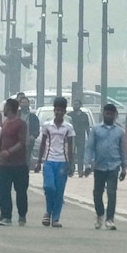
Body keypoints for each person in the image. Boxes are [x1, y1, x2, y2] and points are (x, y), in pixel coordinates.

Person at [86, 103, 127, 229]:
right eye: (107, 113)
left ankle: (110, 219)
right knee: (97, 193)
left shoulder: (120, 131)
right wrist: (88, 163)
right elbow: (90, 147)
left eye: (111, 114)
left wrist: (124, 168)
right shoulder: (96, 129)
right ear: (103, 114)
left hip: (114, 166)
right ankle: (99, 214)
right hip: (99, 165)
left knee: (111, 193)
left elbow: (122, 150)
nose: (109, 116)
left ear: (115, 115)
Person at [35, 97, 74, 227]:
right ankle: (48, 211)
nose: (58, 113)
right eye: (57, 110)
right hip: (49, 161)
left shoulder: (68, 127)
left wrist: (71, 164)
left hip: (62, 162)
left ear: (64, 112)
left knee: (59, 191)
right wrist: (39, 161)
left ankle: (55, 218)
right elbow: (42, 144)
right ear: (54, 110)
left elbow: (70, 147)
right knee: (49, 187)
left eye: (61, 110)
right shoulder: (47, 126)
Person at [0, 98, 30, 226]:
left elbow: (22, 142)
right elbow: (0, 142)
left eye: (5, 107)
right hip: (4, 164)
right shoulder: (5, 123)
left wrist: (9, 152)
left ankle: (22, 215)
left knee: (20, 191)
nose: (3, 110)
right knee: (4, 191)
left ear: (9, 108)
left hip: (19, 164)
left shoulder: (21, 124)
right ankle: (6, 216)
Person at [70, 98, 91, 176]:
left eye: (77, 104)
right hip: (71, 137)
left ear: (80, 105)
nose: (75, 106)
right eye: (74, 104)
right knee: (71, 153)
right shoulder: (69, 115)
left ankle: (80, 170)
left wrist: (90, 137)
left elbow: (87, 127)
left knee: (80, 154)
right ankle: (71, 170)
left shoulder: (84, 115)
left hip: (81, 136)